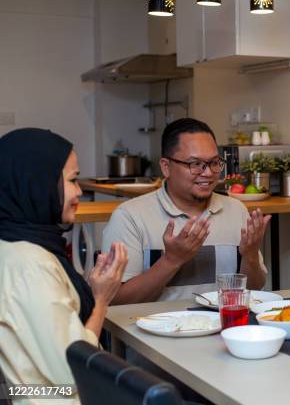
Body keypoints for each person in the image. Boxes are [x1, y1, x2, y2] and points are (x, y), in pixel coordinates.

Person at [0, 128, 127, 401]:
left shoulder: (12, 245)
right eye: (73, 180)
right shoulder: (30, 263)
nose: (79, 191)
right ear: (38, 183)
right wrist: (101, 300)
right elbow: (73, 371)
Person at [103, 118, 269, 304]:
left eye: (214, 162)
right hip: (155, 331)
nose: (207, 173)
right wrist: (171, 260)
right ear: (166, 167)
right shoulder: (130, 217)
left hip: (223, 329)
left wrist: (251, 256)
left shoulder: (235, 210)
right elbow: (116, 300)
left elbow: (255, 290)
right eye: (195, 164)